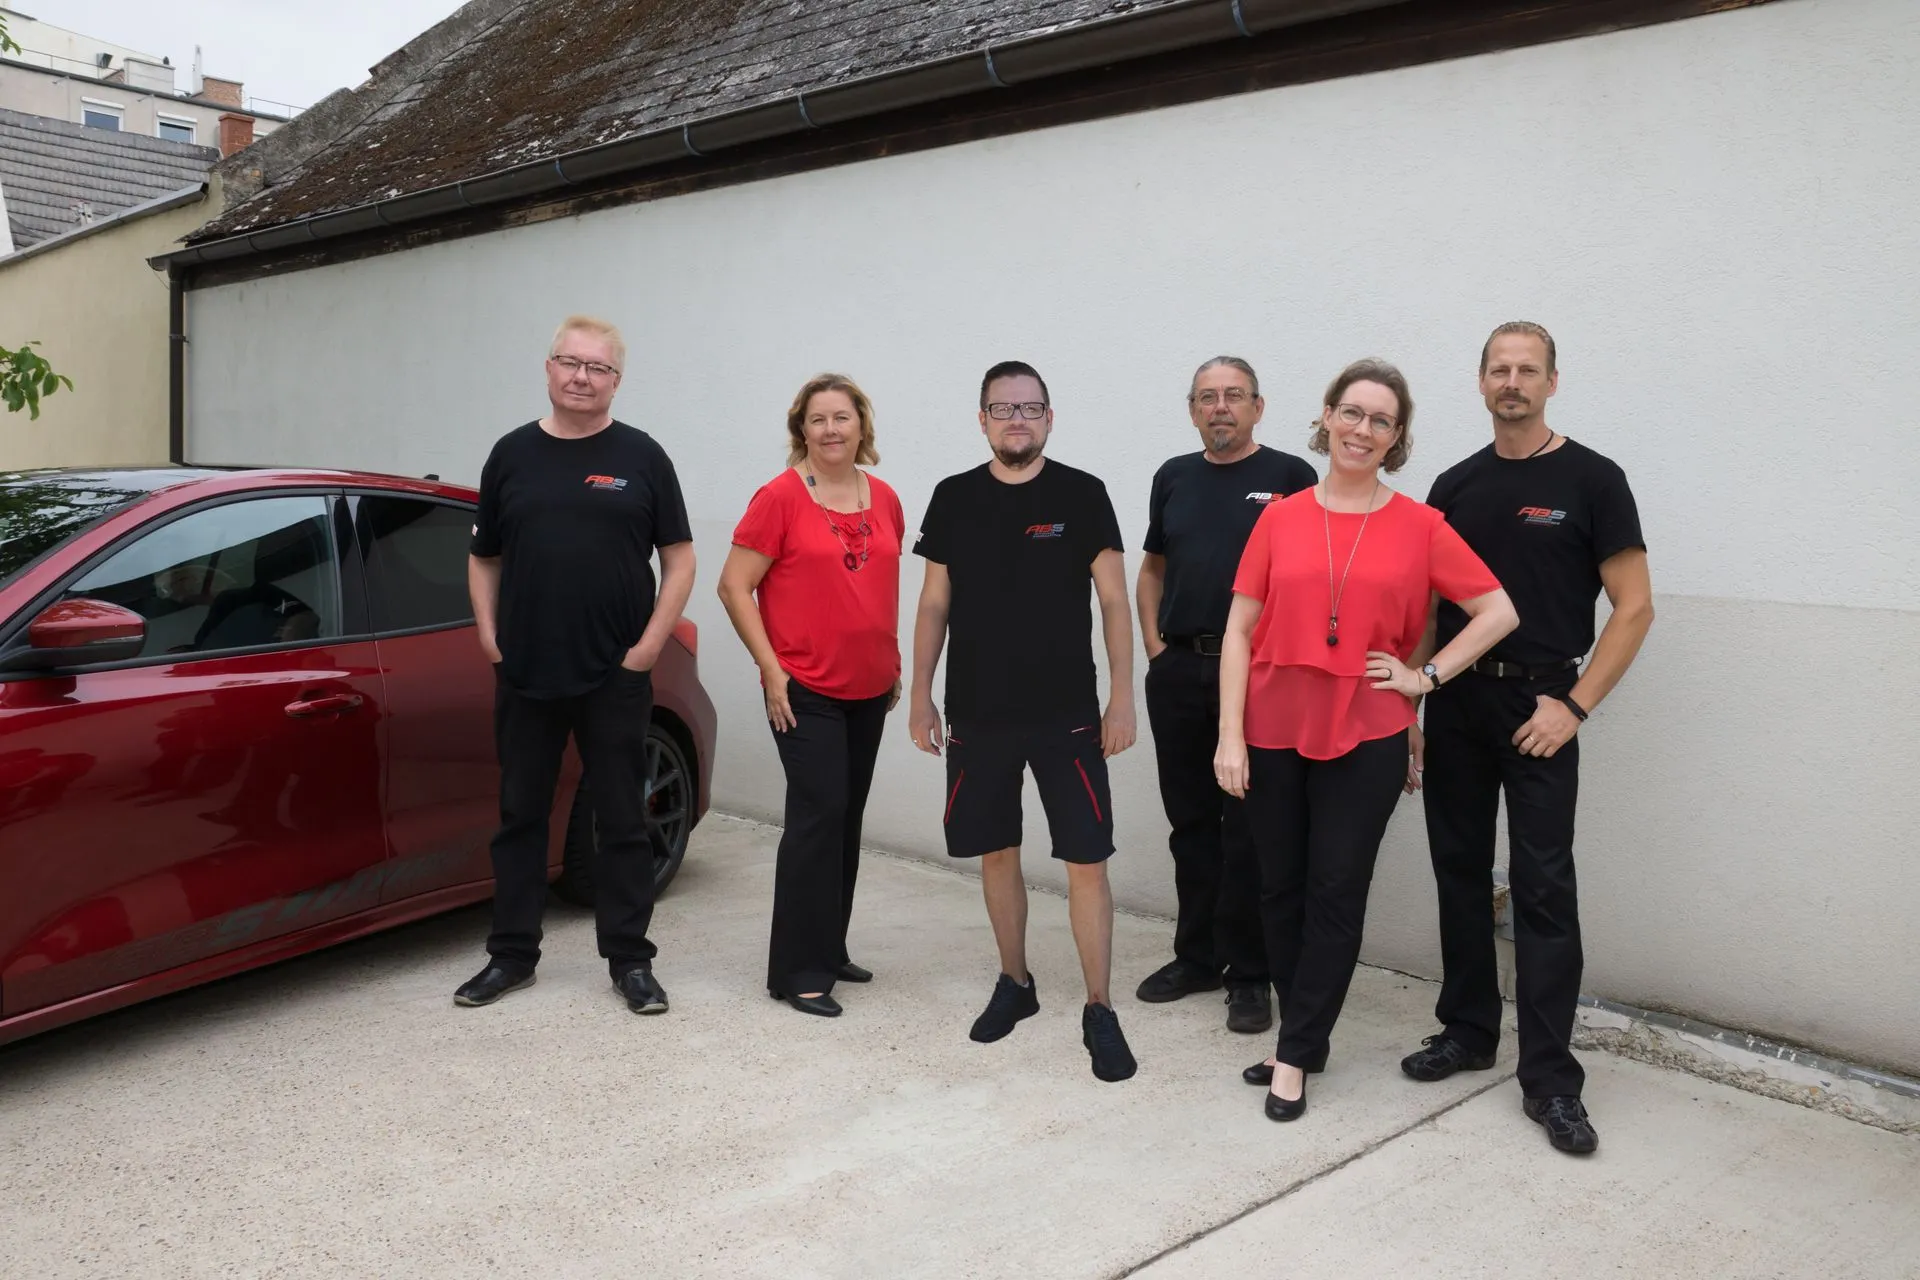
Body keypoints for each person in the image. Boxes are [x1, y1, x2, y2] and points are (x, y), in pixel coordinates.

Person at [1216, 358, 1518, 1122]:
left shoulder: (1421, 526)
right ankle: (1300, 1039)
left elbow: (1497, 611)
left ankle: (1295, 1054)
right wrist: (1229, 736)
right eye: (1352, 412)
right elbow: (1239, 631)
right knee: (1279, 887)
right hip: (1272, 725)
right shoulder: (1278, 516)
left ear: (1396, 438)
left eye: (1381, 420)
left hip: (1369, 732)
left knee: (1334, 893)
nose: (1362, 429)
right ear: (1326, 417)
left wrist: (1427, 678)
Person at [1399, 322, 1654, 1156]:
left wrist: (1573, 707)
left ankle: (1549, 1081)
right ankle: (1469, 1030)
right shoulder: (1454, 485)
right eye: (1499, 369)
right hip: (1457, 707)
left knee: (1545, 894)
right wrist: (1413, 714)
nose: (1513, 381)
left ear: (1552, 381)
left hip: (1543, 710)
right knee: (1459, 873)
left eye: (1528, 370)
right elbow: (1429, 612)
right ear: (1480, 383)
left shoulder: (1593, 479)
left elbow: (1635, 606)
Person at [907, 360, 1141, 1082]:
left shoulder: (1083, 493)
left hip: (1068, 714)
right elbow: (933, 604)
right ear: (981, 420)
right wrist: (921, 693)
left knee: (1085, 861)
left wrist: (1123, 695)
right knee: (996, 852)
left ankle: (1099, 1007)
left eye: (1030, 407)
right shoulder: (953, 498)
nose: (1017, 418)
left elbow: (1113, 603)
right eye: (1002, 408)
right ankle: (1017, 984)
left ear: (1049, 417)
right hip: (978, 714)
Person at [456, 315, 695, 1015]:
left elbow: (678, 560)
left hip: (614, 674)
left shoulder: (643, 458)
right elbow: (482, 556)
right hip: (525, 671)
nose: (582, 377)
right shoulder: (511, 455)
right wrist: (490, 638)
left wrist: (647, 649)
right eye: (571, 362)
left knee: (621, 820)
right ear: (549, 367)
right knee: (520, 817)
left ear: (616, 381)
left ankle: (630, 962)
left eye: (598, 368)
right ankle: (512, 956)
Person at [1134, 356, 1317, 1034]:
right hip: (1181, 671)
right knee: (1191, 825)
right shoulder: (1173, 478)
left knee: (1250, 830)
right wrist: (1157, 652)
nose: (1221, 408)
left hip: (1259, 677)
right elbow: (1151, 569)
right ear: (1192, 410)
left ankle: (1251, 972)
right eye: (1208, 398)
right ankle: (1197, 957)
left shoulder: (1291, 478)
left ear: (1258, 407)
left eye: (1234, 396)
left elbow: (1306, 579)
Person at [717, 373, 906, 1018]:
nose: (831, 429)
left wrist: (892, 658)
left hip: (870, 687)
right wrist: (771, 669)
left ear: (861, 426)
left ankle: (829, 947)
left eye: (842, 418)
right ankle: (797, 970)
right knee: (816, 820)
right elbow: (733, 586)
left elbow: (879, 585)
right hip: (805, 688)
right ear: (802, 428)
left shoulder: (883, 497)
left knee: (846, 819)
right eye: (818, 419)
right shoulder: (778, 498)